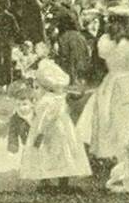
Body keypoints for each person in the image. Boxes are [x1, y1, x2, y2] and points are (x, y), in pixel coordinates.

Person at [77, 6, 129, 166]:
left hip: (110, 83)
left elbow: (103, 59)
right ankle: (127, 160)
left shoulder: (105, 41)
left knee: (110, 120)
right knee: (128, 121)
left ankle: (115, 159)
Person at [21, 60, 93, 188]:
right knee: (64, 153)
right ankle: (62, 182)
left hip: (49, 131)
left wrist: (40, 132)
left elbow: (45, 118)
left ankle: (45, 180)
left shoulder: (47, 100)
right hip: (63, 130)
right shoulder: (60, 98)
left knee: (44, 153)